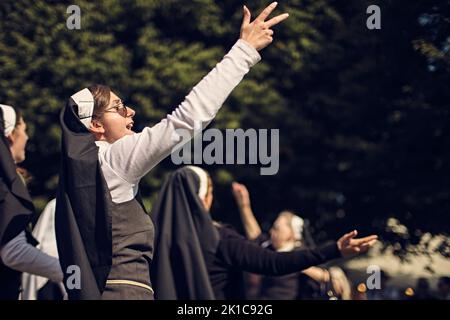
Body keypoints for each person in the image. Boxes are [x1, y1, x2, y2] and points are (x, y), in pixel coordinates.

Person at [55, 2, 290, 300]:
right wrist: (243, 51)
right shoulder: (112, 160)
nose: (131, 112)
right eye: (119, 107)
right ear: (96, 126)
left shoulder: (77, 177)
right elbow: (186, 120)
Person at [151, 166, 378, 299]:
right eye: (210, 192)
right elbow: (271, 261)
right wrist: (334, 249)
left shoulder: (152, 239)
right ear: (201, 199)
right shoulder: (219, 238)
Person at [232, 182, 353, 300]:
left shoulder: (301, 252)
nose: (271, 231)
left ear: (291, 232)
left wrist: (296, 263)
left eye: (277, 228)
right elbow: (255, 235)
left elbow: (328, 279)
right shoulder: (269, 248)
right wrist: (244, 205)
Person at [0, 104, 63, 300]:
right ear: (10, 134)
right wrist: (68, 272)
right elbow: (13, 250)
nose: (26, 137)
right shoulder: (5, 183)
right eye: (24, 130)